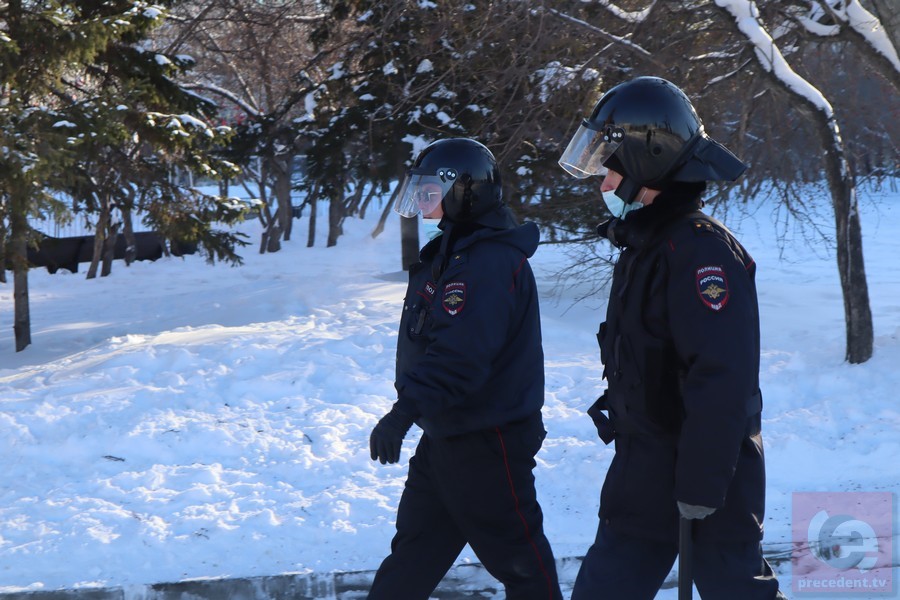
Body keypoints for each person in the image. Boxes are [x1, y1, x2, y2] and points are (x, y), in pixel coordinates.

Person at [558, 76, 786, 599]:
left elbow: (721, 378)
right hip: (644, 472)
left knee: (736, 591)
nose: (601, 183)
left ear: (648, 160)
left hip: (707, 476)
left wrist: (702, 486)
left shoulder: (702, 254)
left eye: (609, 166)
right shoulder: (646, 244)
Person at [367, 137, 563, 600]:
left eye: (430, 195)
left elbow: (461, 358)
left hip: (487, 442)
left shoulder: (487, 264)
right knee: (414, 556)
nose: (422, 206)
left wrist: (403, 413)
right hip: (447, 435)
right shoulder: (452, 255)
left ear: (463, 194)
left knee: (521, 564)